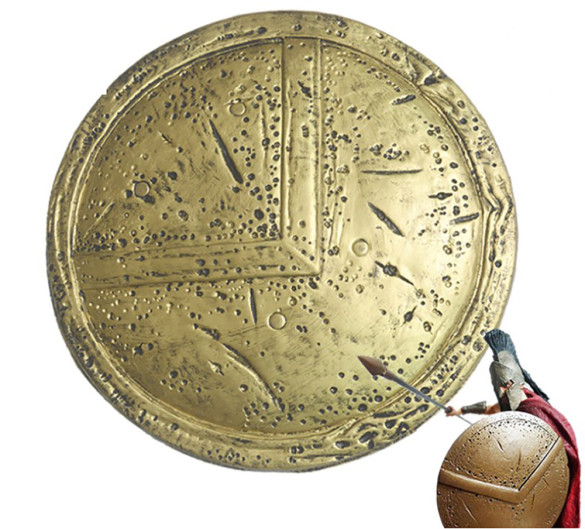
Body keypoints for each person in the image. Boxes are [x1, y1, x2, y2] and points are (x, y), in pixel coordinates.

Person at [446, 329, 580, 528]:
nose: (502, 391)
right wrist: (460, 410)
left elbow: (550, 453)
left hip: (544, 484)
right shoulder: (513, 407)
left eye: (506, 385)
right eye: (499, 386)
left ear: (515, 382)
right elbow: (491, 409)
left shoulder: (535, 410)